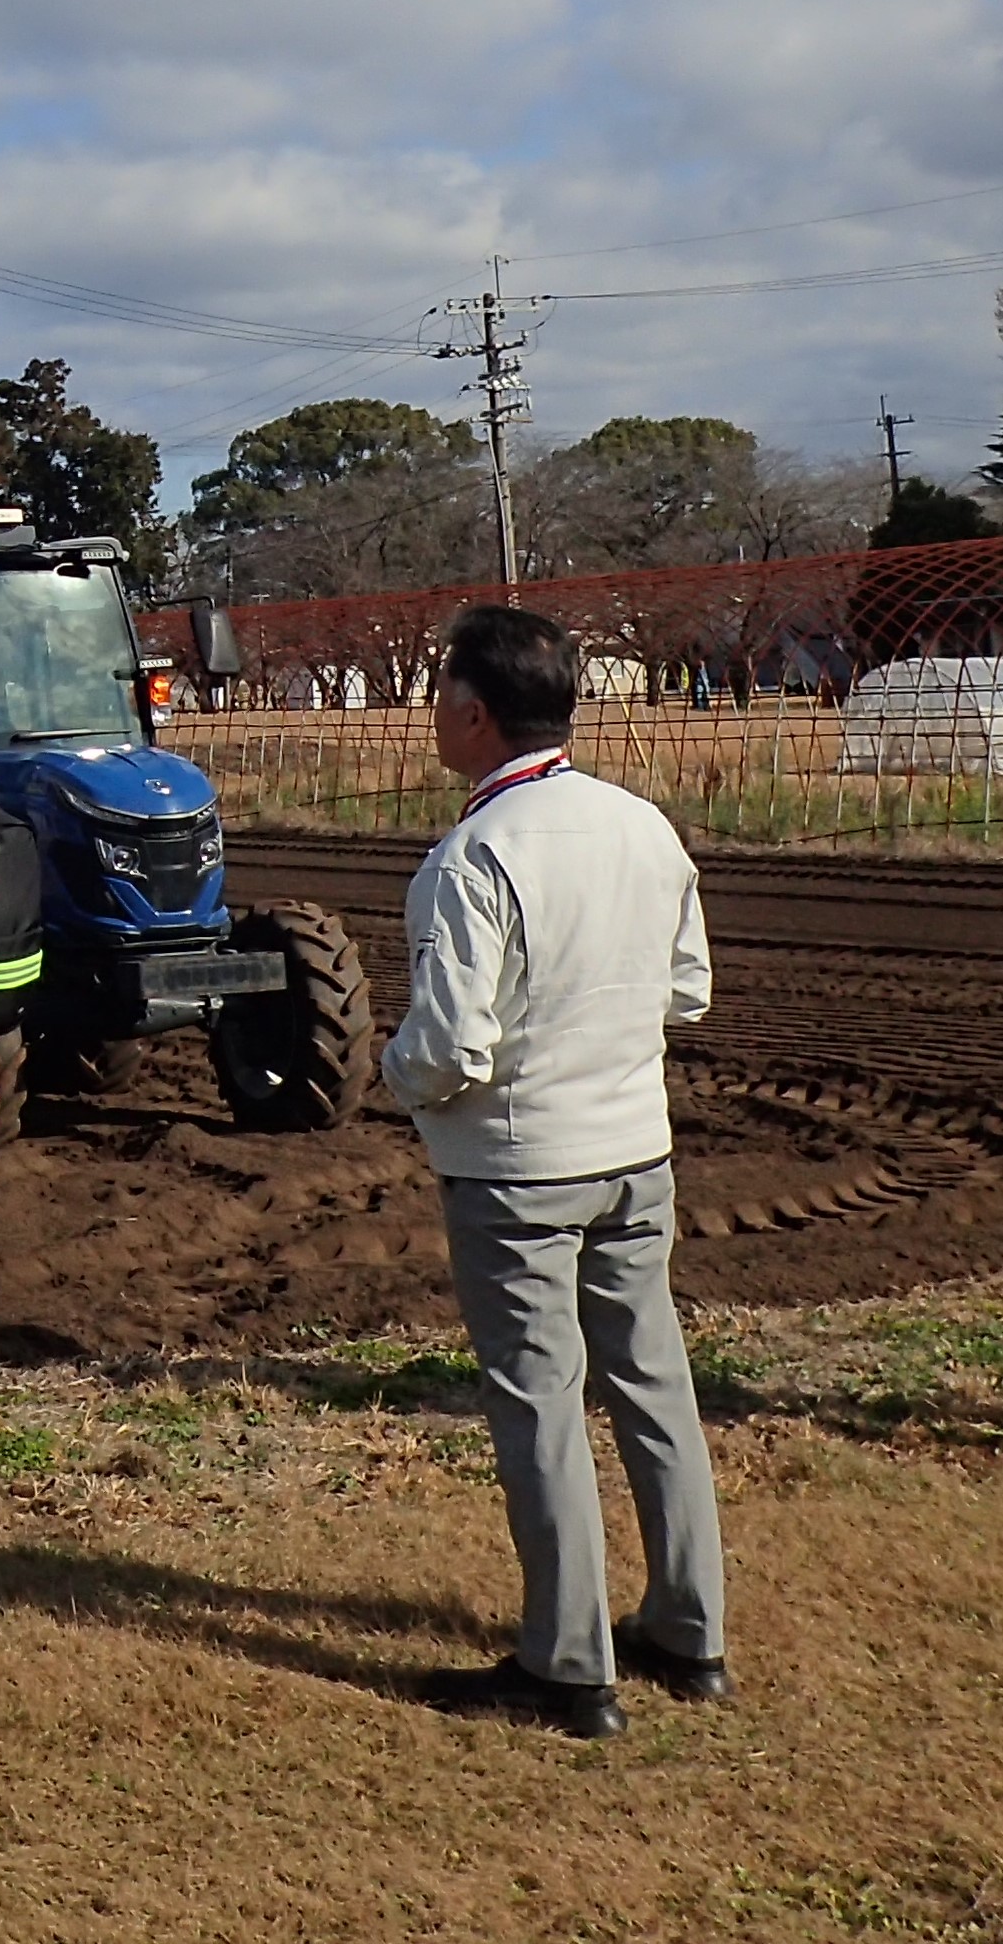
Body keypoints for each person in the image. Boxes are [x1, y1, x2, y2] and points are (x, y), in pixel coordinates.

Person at [384, 605, 729, 1742]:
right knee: (650, 1385)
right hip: (635, 1148)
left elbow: (448, 1047)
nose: (433, 706)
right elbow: (686, 991)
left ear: (471, 712)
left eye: (439, 688)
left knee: (537, 1403)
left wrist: (396, 1077)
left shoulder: (472, 857)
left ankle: (567, 1664)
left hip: (516, 1167)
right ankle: (689, 1632)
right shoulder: (641, 826)